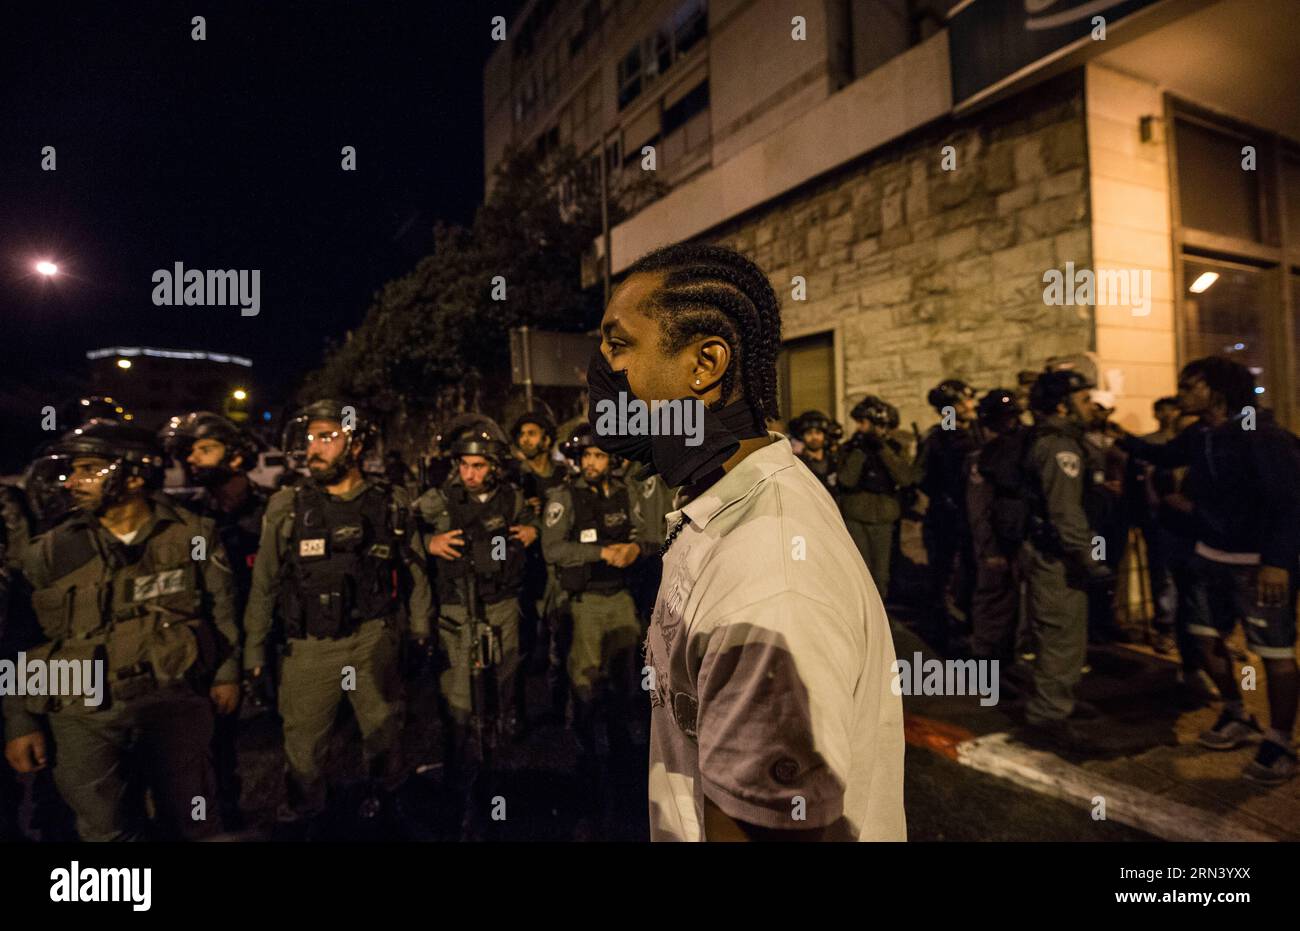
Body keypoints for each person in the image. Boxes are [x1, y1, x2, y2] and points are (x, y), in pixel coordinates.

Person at [588, 242, 904, 841]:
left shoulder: (768, 578)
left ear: (704, 365)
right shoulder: (725, 494)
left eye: (619, 343)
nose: (602, 369)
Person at [3, 420, 240, 840]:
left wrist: (226, 673)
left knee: (192, 820)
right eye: (72, 470)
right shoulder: (50, 552)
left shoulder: (191, 535)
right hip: (81, 713)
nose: (74, 481)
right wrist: (21, 722)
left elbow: (221, 606)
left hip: (172, 699)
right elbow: (21, 639)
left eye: (89, 468)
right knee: (105, 830)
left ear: (133, 475)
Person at [243, 400, 432, 830]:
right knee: (304, 749)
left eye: (327, 437)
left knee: (385, 733)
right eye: (310, 438)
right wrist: (252, 653)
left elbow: (415, 572)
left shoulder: (392, 503)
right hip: (309, 649)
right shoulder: (287, 507)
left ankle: (387, 807)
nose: (314, 448)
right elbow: (265, 584)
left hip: (373, 638)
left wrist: (421, 631)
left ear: (357, 444)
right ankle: (307, 817)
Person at [1118, 357, 1300, 784]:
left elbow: (1288, 502)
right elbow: (1161, 454)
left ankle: (1280, 743)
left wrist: (1277, 562)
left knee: (1273, 652)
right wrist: (1117, 438)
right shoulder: (1201, 434)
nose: (1181, 392)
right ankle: (1236, 713)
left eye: (1189, 385)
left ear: (1215, 392)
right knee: (1203, 639)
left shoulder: (1260, 434)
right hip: (1208, 557)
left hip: (1256, 566)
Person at [159, 410, 271, 830]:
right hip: (216, 642)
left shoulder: (273, 512)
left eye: (206, 449)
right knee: (213, 741)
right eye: (189, 452)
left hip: (270, 638)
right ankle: (222, 811)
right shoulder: (190, 519)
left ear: (237, 456)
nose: (194, 459)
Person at [415, 418, 537, 772]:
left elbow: (537, 522)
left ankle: (501, 746)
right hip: (457, 606)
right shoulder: (438, 501)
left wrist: (534, 529)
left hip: (502, 602)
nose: (469, 474)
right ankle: (460, 754)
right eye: (464, 465)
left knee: (505, 673)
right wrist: (428, 543)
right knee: (459, 689)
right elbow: (400, 535)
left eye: (478, 466)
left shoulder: (512, 498)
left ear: (495, 467)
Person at [541, 424, 644, 809]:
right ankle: (585, 749)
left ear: (610, 460)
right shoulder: (564, 496)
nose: (591, 463)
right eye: (585, 456)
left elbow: (643, 529)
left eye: (598, 456)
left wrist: (634, 548)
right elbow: (553, 549)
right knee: (585, 677)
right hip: (585, 601)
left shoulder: (624, 491)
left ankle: (621, 747)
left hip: (620, 596)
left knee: (625, 676)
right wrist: (600, 554)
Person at [1015, 371, 1114, 747]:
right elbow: (1066, 514)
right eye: (1085, 399)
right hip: (1058, 557)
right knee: (1060, 632)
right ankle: (1047, 715)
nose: (1093, 406)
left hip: (1054, 553)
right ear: (1062, 404)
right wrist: (1092, 560)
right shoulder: (1060, 448)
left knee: (1064, 632)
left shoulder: (1058, 441)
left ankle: (1060, 698)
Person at [510, 410, 569, 726]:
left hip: (557, 571)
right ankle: (517, 713)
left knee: (562, 642)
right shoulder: (514, 477)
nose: (525, 439)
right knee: (522, 646)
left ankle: (561, 709)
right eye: (521, 434)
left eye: (532, 433)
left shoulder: (564, 475)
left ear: (547, 438)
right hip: (525, 573)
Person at [916, 378, 980, 647]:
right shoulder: (939, 438)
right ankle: (941, 630)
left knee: (971, 572)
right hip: (946, 516)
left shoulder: (975, 433)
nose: (970, 405)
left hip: (973, 516)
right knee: (942, 574)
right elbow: (922, 477)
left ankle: (967, 625)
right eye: (964, 400)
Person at [968, 389, 1029, 666]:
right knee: (992, 599)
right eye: (1005, 418)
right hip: (993, 540)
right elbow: (978, 508)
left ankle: (1005, 658)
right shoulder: (981, 457)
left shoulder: (1015, 450)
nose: (1011, 423)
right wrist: (990, 548)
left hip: (1015, 536)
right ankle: (984, 661)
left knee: (1014, 603)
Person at [836, 396, 914, 600]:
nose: (860, 428)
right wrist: (860, 452)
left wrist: (882, 449)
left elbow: (904, 478)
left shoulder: (895, 448)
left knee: (881, 574)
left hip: (884, 516)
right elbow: (846, 480)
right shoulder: (851, 448)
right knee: (861, 572)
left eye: (864, 423)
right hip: (856, 513)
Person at [787, 410, 842, 493]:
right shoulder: (797, 464)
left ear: (824, 435)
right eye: (809, 433)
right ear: (802, 436)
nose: (814, 437)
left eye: (818, 432)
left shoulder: (835, 461)